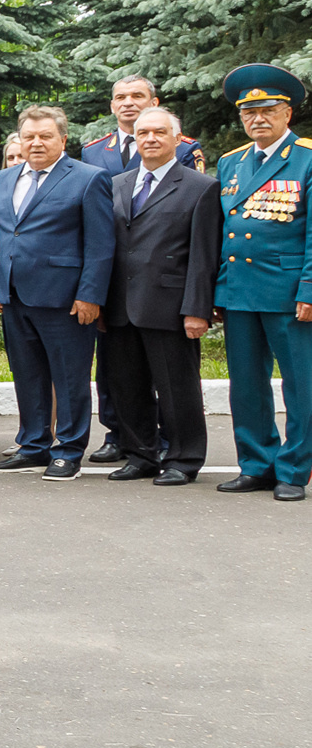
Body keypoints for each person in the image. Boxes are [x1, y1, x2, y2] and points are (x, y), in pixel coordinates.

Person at [0, 105, 116, 480]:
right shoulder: (6, 178)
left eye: (45, 136)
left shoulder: (89, 178)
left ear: (63, 139)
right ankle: (33, 445)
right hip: (14, 294)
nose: (36, 143)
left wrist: (90, 295)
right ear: (20, 140)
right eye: (29, 137)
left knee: (69, 377)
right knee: (27, 375)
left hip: (65, 298)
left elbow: (100, 245)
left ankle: (68, 450)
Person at [98, 106, 220, 485]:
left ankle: (185, 458)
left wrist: (197, 309)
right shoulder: (117, 184)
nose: (150, 139)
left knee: (177, 388)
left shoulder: (201, 186)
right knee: (126, 386)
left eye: (159, 133)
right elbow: (107, 249)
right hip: (120, 306)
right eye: (143, 133)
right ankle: (140, 455)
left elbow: (203, 256)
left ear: (176, 139)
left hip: (170, 306)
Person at [211, 64, 312, 502]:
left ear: (287, 114)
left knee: (301, 384)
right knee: (246, 384)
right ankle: (256, 464)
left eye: (268, 110)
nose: (257, 119)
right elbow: (224, 233)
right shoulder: (231, 162)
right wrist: (218, 289)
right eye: (248, 113)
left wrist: (310, 289)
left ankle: (293, 469)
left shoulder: (307, 158)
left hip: (289, 292)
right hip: (240, 291)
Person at [82, 75, 206, 177]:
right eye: (120, 98)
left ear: (154, 103)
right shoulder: (92, 152)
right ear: (112, 106)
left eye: (137, 96)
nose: (128, 103)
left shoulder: (183, 149)